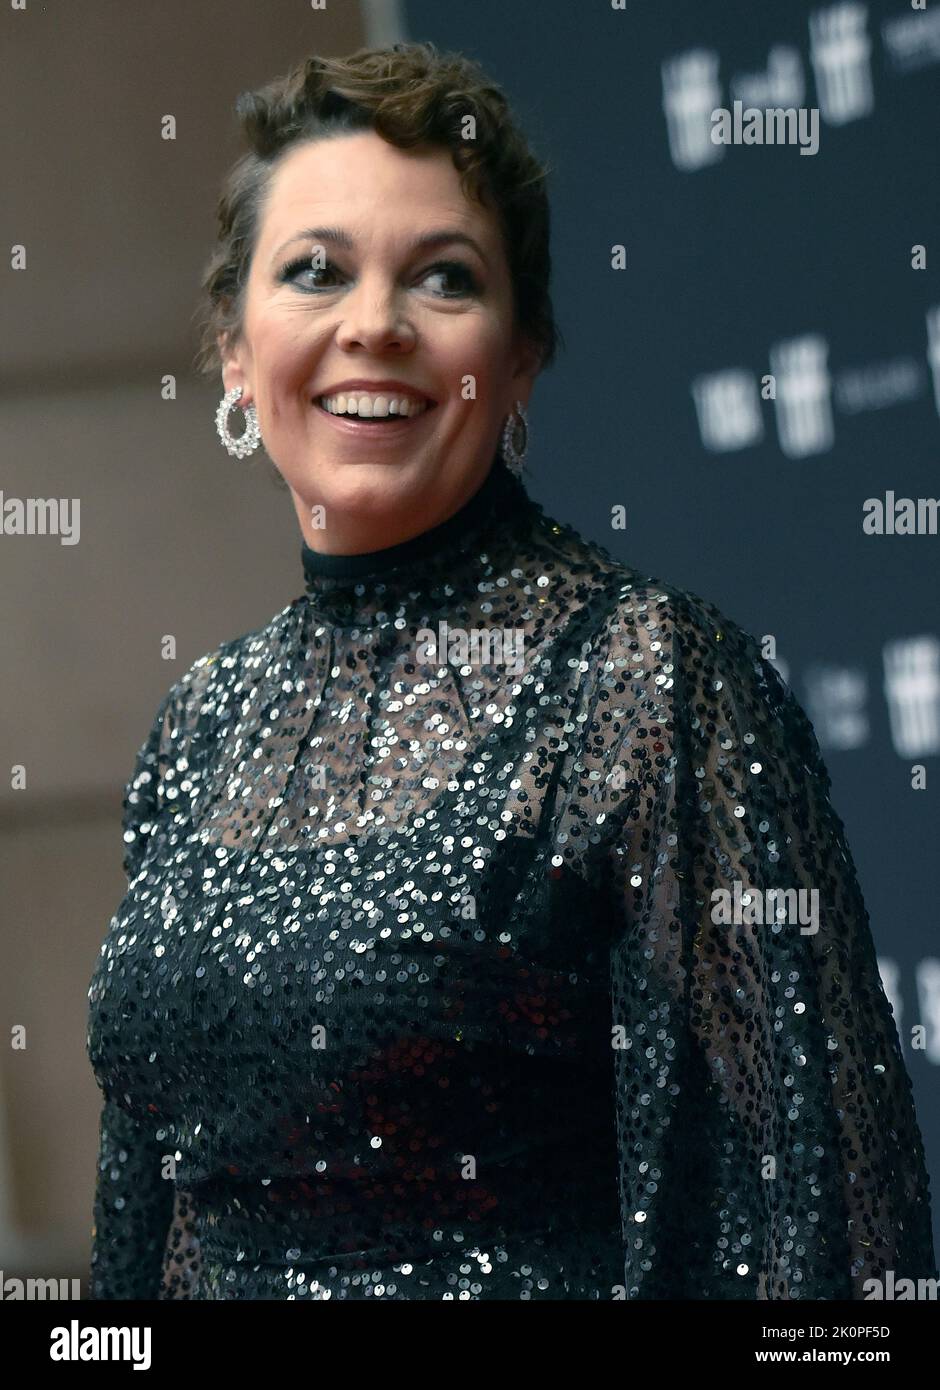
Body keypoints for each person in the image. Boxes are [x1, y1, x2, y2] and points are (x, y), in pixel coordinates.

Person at [86, 41, 936, 1301]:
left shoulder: (648, 680)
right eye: (315, 270)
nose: (372, 322)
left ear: (521, 354)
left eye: (442, 278)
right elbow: (147, 1235)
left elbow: (837, 1245)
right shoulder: (201, 723)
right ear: (231, 348)